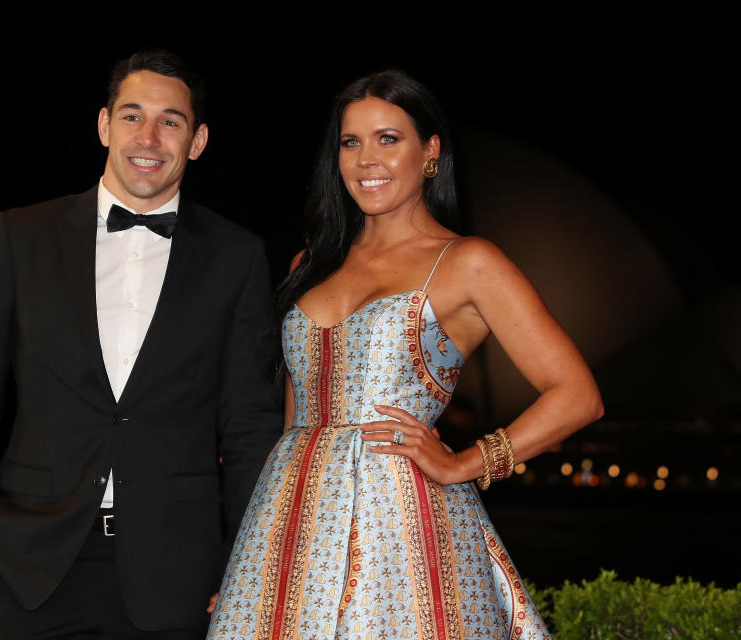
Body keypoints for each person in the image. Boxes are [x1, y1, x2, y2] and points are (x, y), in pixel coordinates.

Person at [206, 70, 602, 640]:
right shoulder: (306, 265)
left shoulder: (468, 262)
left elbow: (577, 396)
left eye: (388, 139)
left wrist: (467, 462)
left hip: (399, 527)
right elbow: (294, 424)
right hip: (288, 525)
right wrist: (248, 566)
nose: (367, 158)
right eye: (351, 142)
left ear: (430, 151)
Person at [0, 49, 283, 639]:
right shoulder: (21, 237)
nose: (148, 136)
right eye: (131, 116)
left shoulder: (237, 257)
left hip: (178, 576)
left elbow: (250, 427)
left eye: (170, 121)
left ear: (197, 140)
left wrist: (243, 562)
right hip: (30, 570)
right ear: (103, 125)